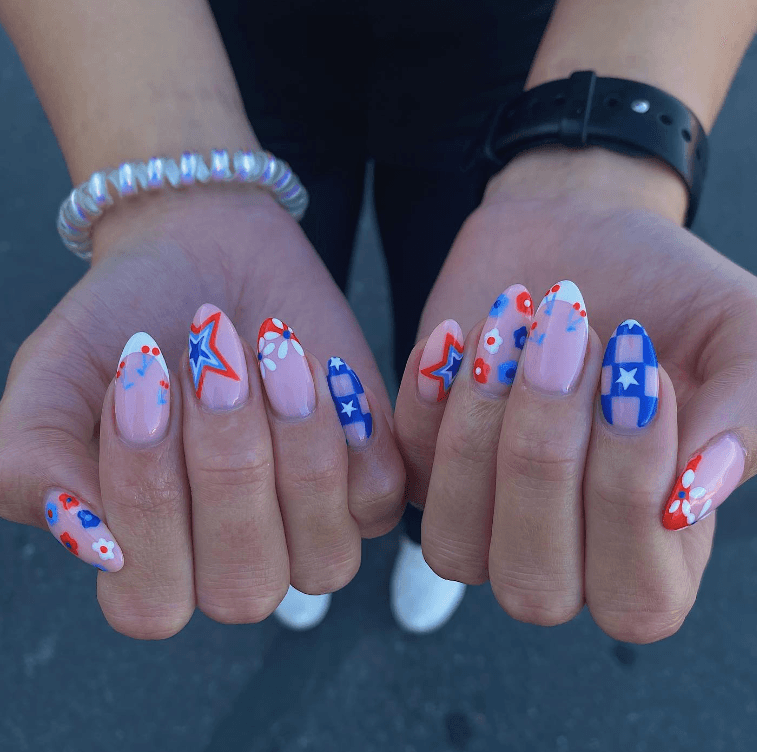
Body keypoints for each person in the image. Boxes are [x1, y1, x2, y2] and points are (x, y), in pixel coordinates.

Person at [0, 0, 755, 640]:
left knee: (464, 367)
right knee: (281, 344)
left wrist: (601, 166)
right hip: (208, 51)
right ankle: (286, 503)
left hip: (525, 54)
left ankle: (432, 520)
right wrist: (162, 176)